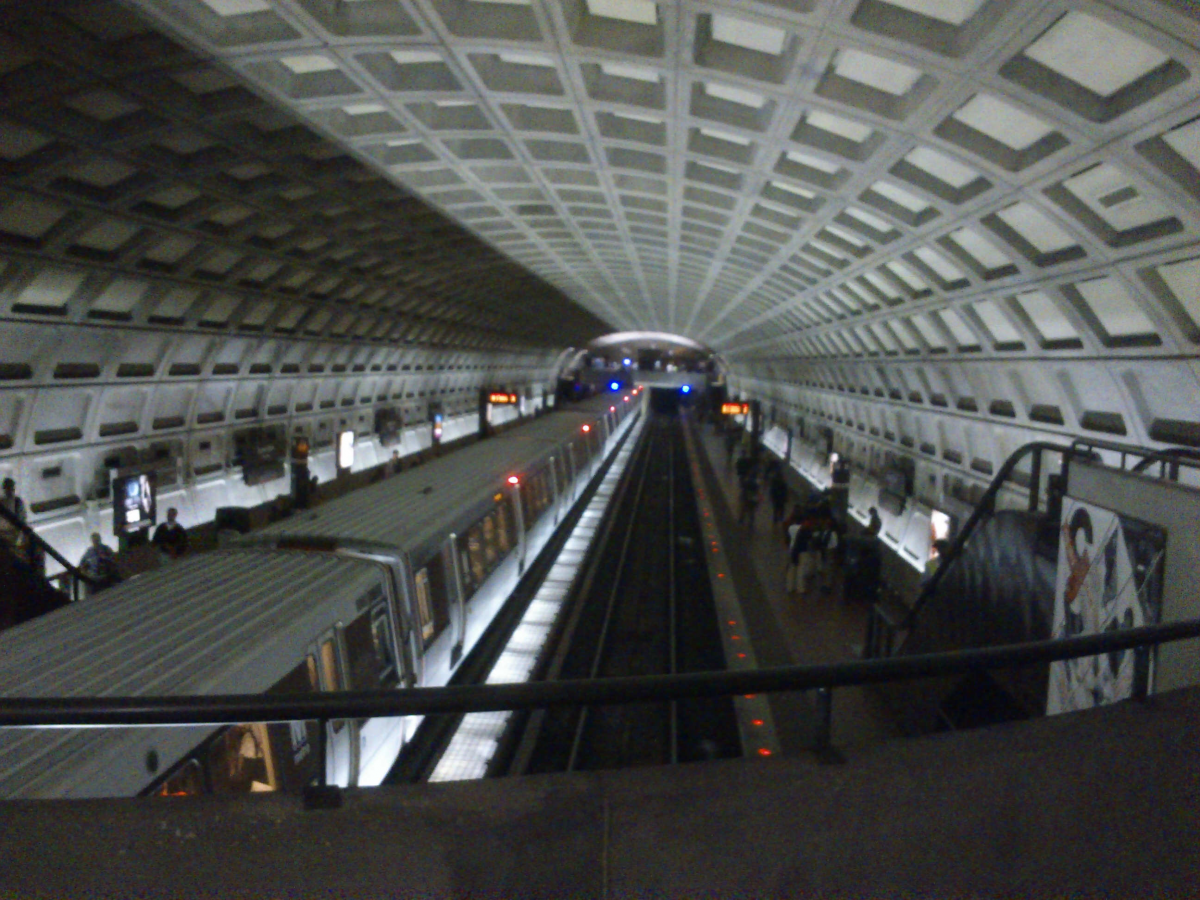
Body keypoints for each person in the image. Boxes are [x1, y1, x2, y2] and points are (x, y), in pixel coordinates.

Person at [0, 477, 28, 563]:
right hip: (11, 537)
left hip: (9, 537)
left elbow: (22, 520)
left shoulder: (15, 502)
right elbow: (22, 520)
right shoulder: (17, 502)